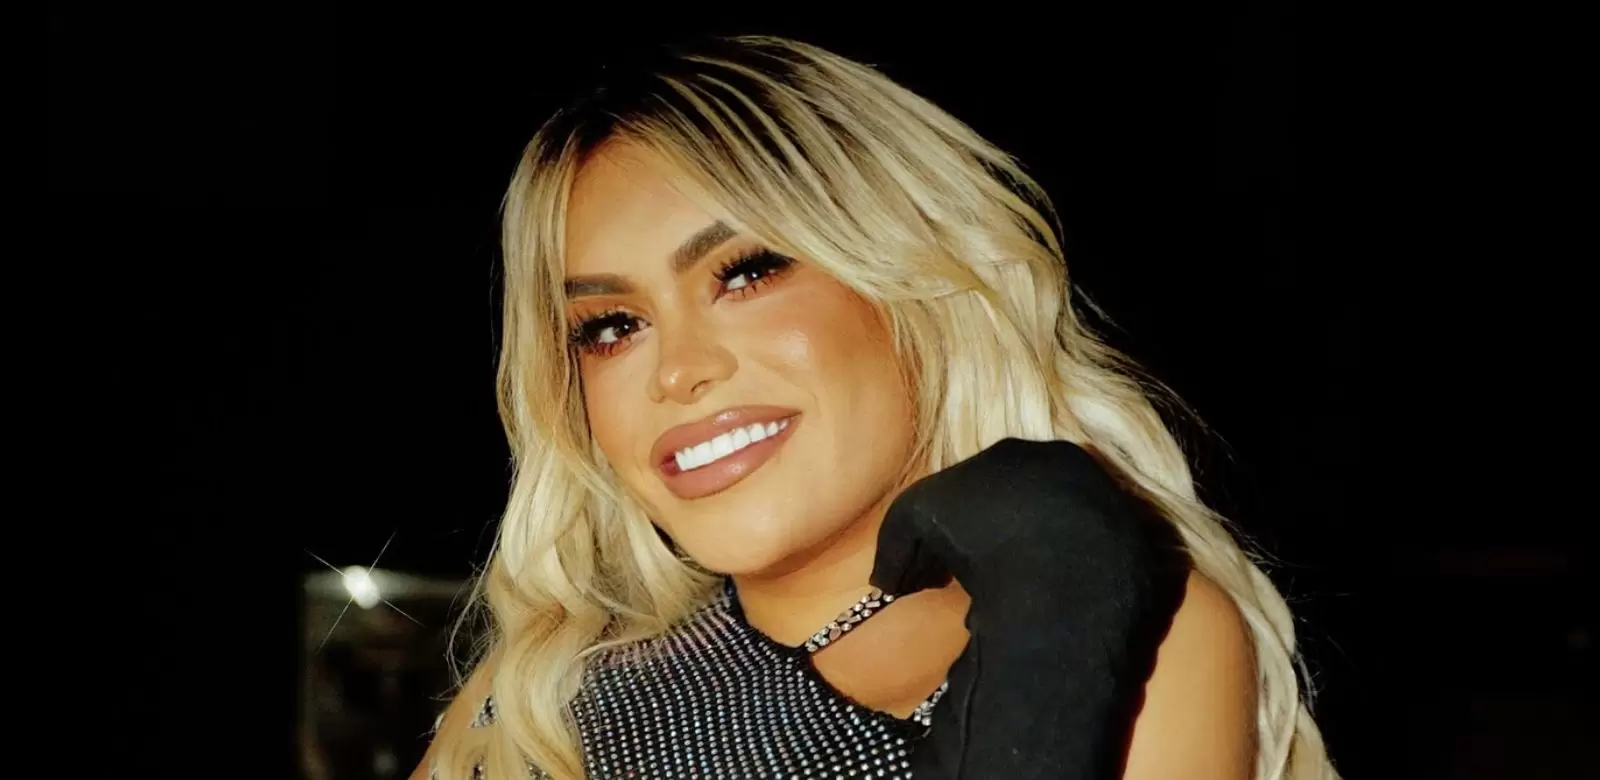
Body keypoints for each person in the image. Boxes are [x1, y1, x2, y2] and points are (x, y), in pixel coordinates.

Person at [414, 35, 1338, 780]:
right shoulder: (541, 704)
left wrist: (1052, 647)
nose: (679, 372)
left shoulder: (1140, 627)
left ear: (908, 288)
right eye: (612, 327)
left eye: (747, 273)